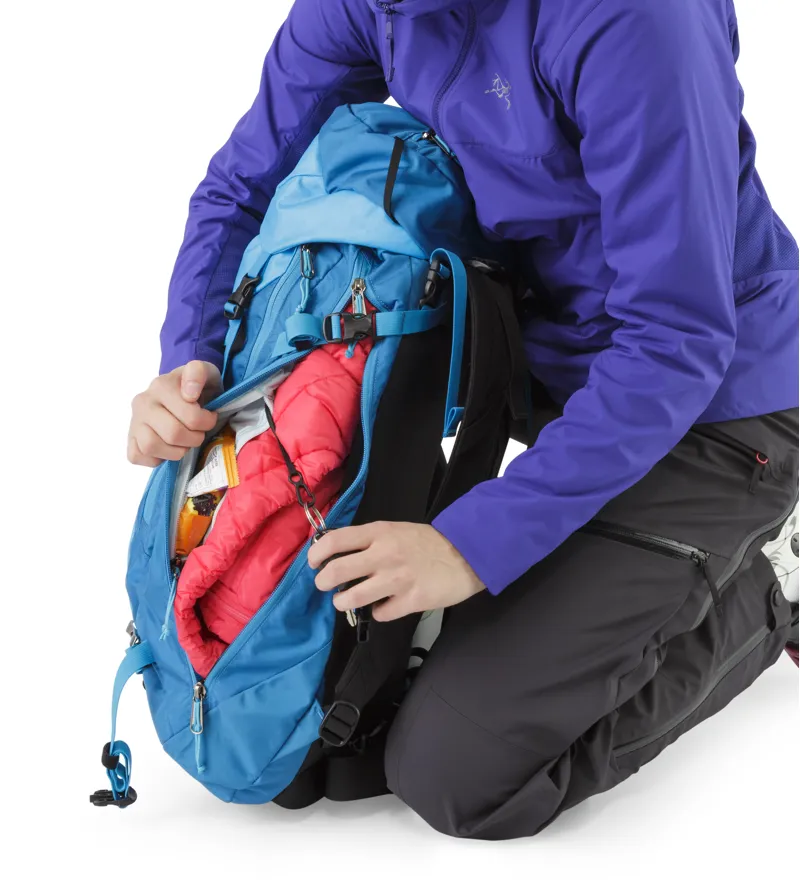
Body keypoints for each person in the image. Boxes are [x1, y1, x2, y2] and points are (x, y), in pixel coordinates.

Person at [127, 0, 799, 840]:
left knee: (456, 770)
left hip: (719, 405)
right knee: (308, 729)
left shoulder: (633, 18)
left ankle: (774, 579)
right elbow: (244, 186)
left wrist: (468, 546)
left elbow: (676, 341)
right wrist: (190, 364)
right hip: (538, 365)